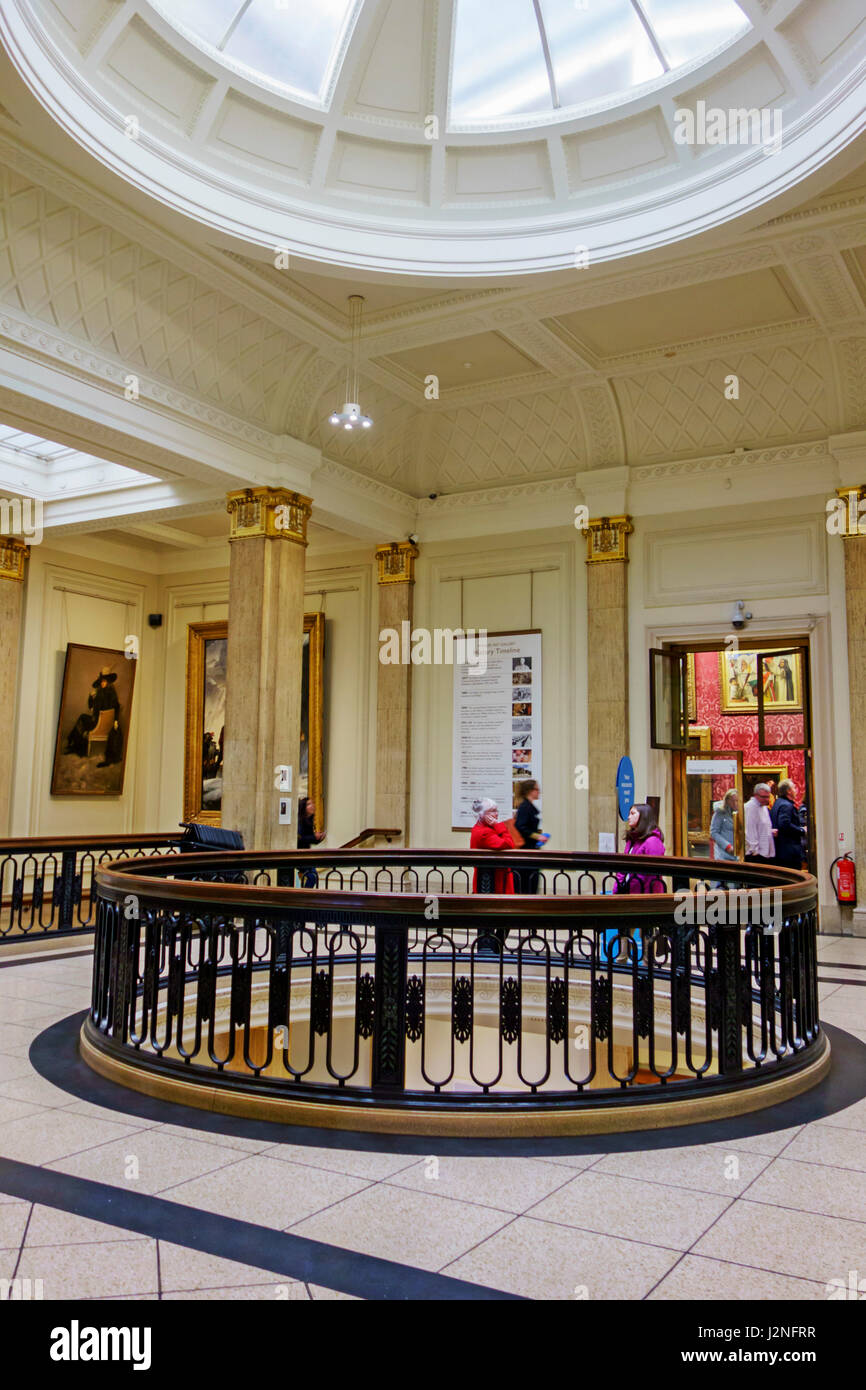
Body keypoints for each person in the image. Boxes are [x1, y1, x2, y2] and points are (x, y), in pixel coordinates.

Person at [64, 666, 124, 767]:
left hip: (98, 723)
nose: (102, 683)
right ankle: (74, 744)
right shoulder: (103, 692)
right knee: (83, 718)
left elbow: (97, 708)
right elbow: (92, 708)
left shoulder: (106, 693)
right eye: (102, 681)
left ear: (109, 682)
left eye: (105, 681)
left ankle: (74, 744)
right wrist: (91, 697)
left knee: (82, 718)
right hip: (99, 721)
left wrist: (116, 721)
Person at [613, 804, 666, 895]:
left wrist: (644, 900)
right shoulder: (633, 839)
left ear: (643, 816)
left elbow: (652, 876)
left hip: (643, 895)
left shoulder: (652, 842)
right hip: (629, 891)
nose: (629, 817)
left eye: (633, 813)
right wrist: (617, 888)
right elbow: (624, 867)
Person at [469, 798, 514, 894]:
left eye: (496, 810)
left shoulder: (480, 828)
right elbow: (509, 844)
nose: (496, 814)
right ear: (482, 815)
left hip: (491, 876)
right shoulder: (485, 832)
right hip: (493, 880)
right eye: (493, 811)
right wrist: (498, 825)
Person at [512, 779, 549, 893]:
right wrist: (538, 837)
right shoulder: (525, 807)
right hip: (525, 851)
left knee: (531, 882)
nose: (539, 792)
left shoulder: (528, 806)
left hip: (530, 850)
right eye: (537, 789)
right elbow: (520, 826)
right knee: (527, 884)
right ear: (530, 791)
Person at [770, 779, 803, 869]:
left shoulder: (778, 803)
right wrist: (801, 830)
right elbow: (784, 824)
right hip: (788, 852)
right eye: (794, 788)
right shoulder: (786, 805)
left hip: (780, 851)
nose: (796, 790)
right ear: (788, 791)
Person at [744, 783, 776, 863]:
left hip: (765, 853)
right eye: (763, 797)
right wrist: (755, 851)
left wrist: (770, 831)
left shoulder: (764, 807)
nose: (766, 799)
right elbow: (749, 831)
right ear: (755, 795)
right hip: (756, 855)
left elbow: (762, 826)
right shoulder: (750, 807)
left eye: (768, 797)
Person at [297, 797, 325, 887]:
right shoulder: (300, 821)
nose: (312, 806)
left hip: (306, 855)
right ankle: (304, 897)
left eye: (312, 803)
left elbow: (309, 839)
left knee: (313, 876)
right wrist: (314, 837)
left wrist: (319, 839)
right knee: (312, 876)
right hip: (298, 855)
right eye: (309, 804)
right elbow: (299, 839)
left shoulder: (309, 821)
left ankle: (304, 896)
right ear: (303, 807)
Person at [710, 789, 738, 864]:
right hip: (723, 855)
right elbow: (714, 833)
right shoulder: (720, 812)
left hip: (738, 856)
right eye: (733, 801)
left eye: (737, 801)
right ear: (727, 800)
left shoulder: (741, 813)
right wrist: (727, 846)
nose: (735, 803)